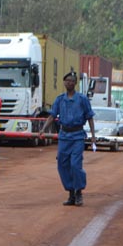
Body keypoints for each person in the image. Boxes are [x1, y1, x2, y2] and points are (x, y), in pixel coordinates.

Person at [40, 72, 96, 206]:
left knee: (75, 165)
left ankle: (78, 192)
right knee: (62, 165)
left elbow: (90, 117)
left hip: (77, 136)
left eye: (72, 81)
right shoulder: (59, 100)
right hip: (64, 136)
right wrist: (43, 129)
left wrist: (93, 136)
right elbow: (52, 116)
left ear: (75, 83)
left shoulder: (82, 99)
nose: (69, 83)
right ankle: (71, 192)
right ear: (64, 83)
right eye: (67, 81)